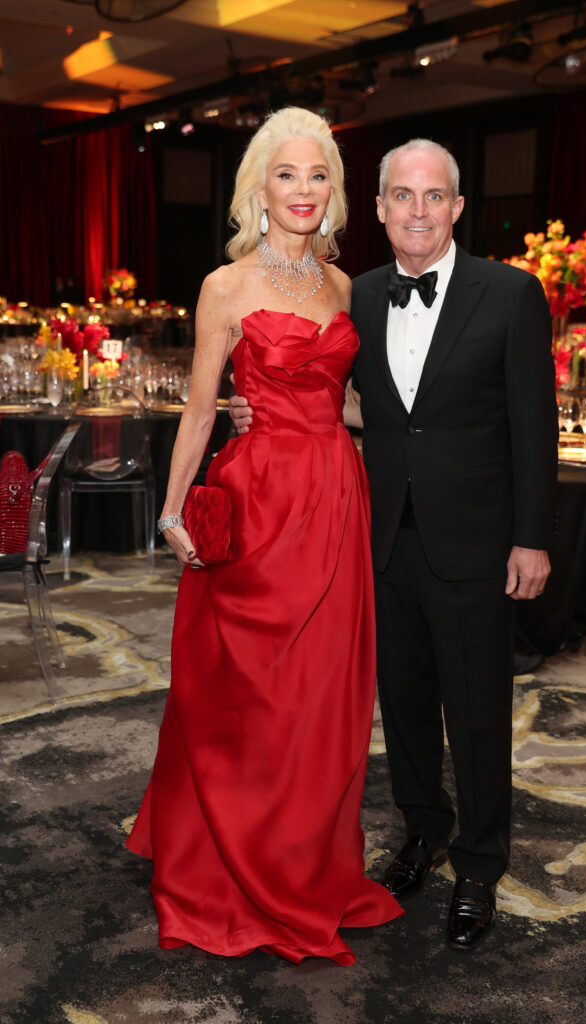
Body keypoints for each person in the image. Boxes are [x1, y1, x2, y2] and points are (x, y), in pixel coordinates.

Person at [231, 138, 558, 952]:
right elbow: (348, 402)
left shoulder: (511, 294)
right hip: (374, 537)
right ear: (376, 209)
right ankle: (422, 835)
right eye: (401, 196)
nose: (418, 210)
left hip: (478, 544)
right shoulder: (359, 294)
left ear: (455, 207)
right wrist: (257, 413)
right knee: (404, 706)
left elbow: (534, 430)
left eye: (434, 196)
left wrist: (532, 540)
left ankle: (479, 867)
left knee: (477, 712)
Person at [126, 107, 403, 966]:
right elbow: (201, 409)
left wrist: (420, 420)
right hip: (259, 502)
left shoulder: (344, 285)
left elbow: (351, 406)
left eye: (318, 175)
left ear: (334, 190)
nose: (304, 190)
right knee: (246, 689)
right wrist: (172, 512)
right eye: (287, 175)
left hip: (334, 494)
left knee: (324, 695)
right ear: (259, 188)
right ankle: (230, 865)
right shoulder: (225, 285)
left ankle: (305, 864)